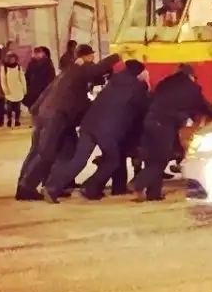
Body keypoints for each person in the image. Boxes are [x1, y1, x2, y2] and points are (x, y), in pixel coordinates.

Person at [15, 45, 120, 201]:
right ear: (87, 57)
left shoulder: (68, 72)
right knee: (45, 153)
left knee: (64, 151)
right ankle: (26, 187)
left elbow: (51, 91)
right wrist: (117, 56)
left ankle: (53, 184)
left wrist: (36, 110)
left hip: (50, 115)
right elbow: (95, 70)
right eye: (91, 57)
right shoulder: (80, 69)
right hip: (57, 116)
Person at [42, 60, 150, 203]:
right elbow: (144, 108)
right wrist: (146, 85)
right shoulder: (137, 87)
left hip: (89, 124)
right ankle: (90, 187)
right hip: (107, 130)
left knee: (79, 160)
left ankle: (52, 187)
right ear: (139, 73)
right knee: (113, 160)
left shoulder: (114, 81)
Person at [129, 63, 212, 202]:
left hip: (149, 121)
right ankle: (138, 183)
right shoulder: (192, 88)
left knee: (153, 158)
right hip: (164, 124)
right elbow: (205, 107)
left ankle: (153, 194)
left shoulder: (164, 83)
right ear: (191, 75)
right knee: (161, 159)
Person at [1, 52, 27, 127]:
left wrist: (24, 88)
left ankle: (17, 120)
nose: (12, 60)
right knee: (9, 107)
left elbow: (22, 78)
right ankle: (9, 119)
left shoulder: (18, 67)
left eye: (14, 59)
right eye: (11, 59)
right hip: (9, 90)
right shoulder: (4, 68)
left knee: (17, 107)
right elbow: (3, 80)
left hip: (18, 89)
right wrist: (5, 89)